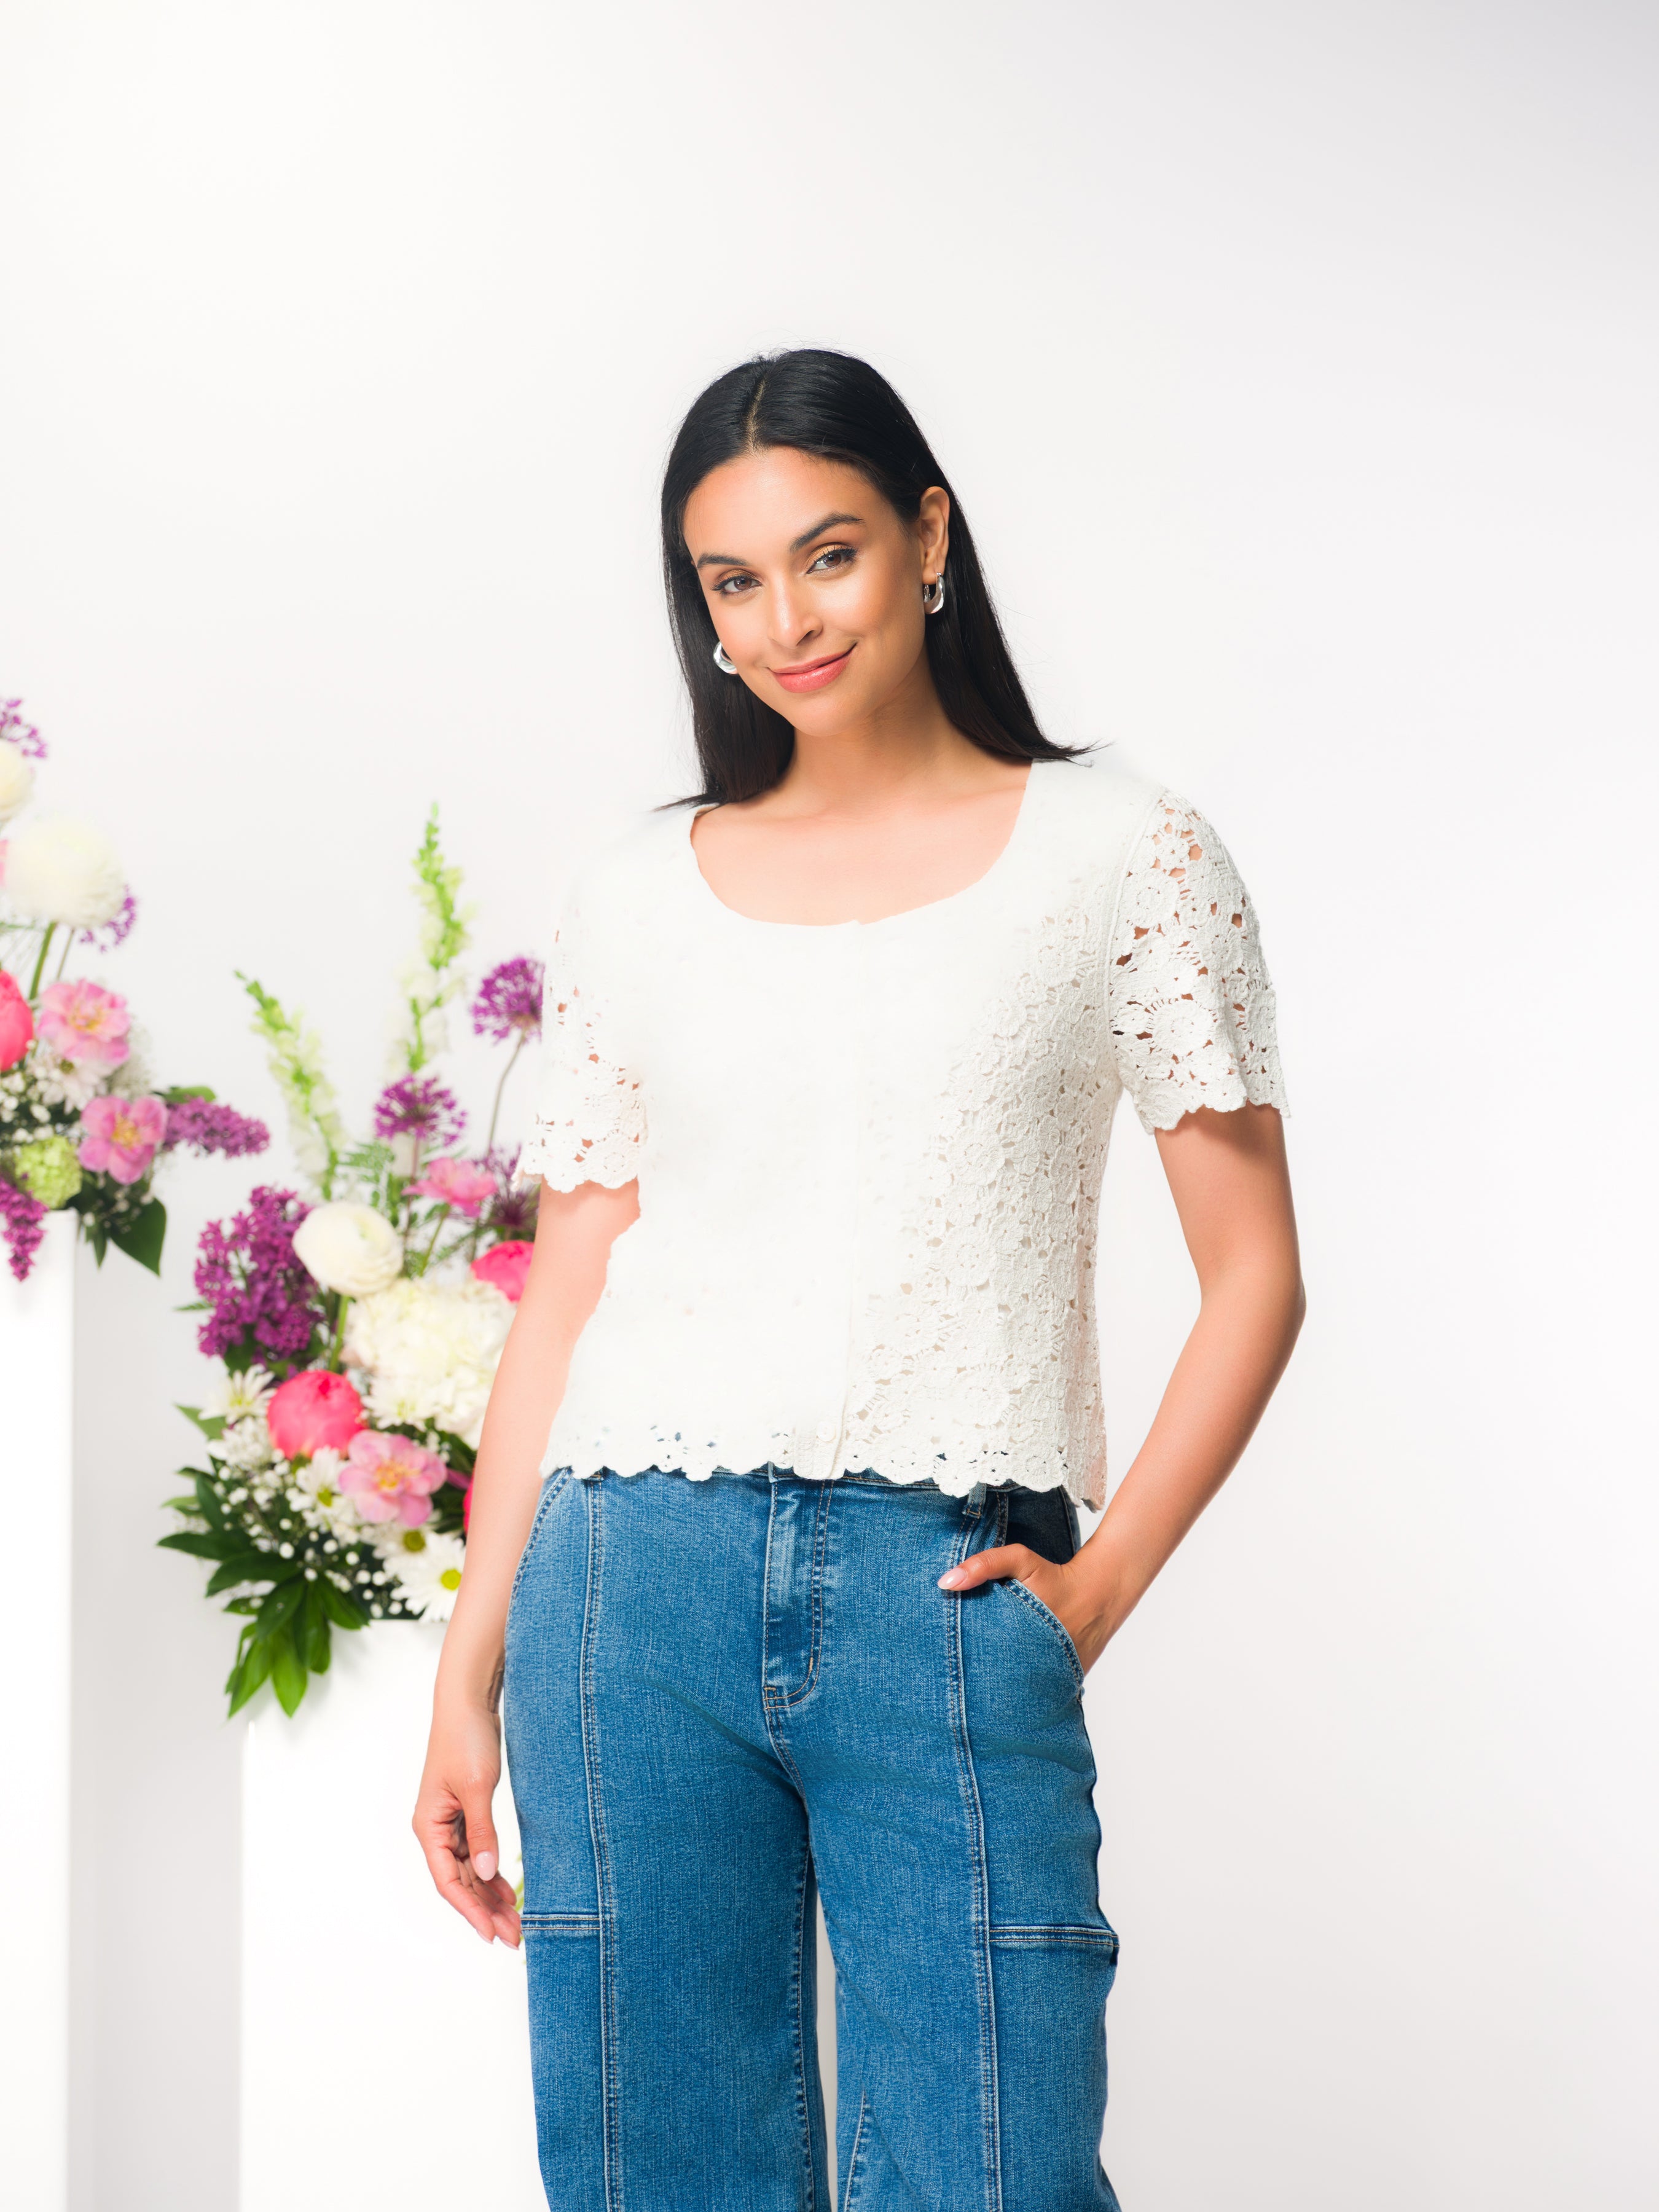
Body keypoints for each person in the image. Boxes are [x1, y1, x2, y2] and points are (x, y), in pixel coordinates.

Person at [414, 348, 1304, 2211]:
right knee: (668, 2182)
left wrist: (1099, 1583)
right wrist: (467, 1660)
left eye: (823, 554)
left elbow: (1253, 1275)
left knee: (995, 2176)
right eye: (730, 582)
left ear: (925, 538)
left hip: (946, 1583)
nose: (782, 617)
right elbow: (565, 1288)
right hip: (622, 1599)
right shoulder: (642, 888)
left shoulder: (1122, 850)